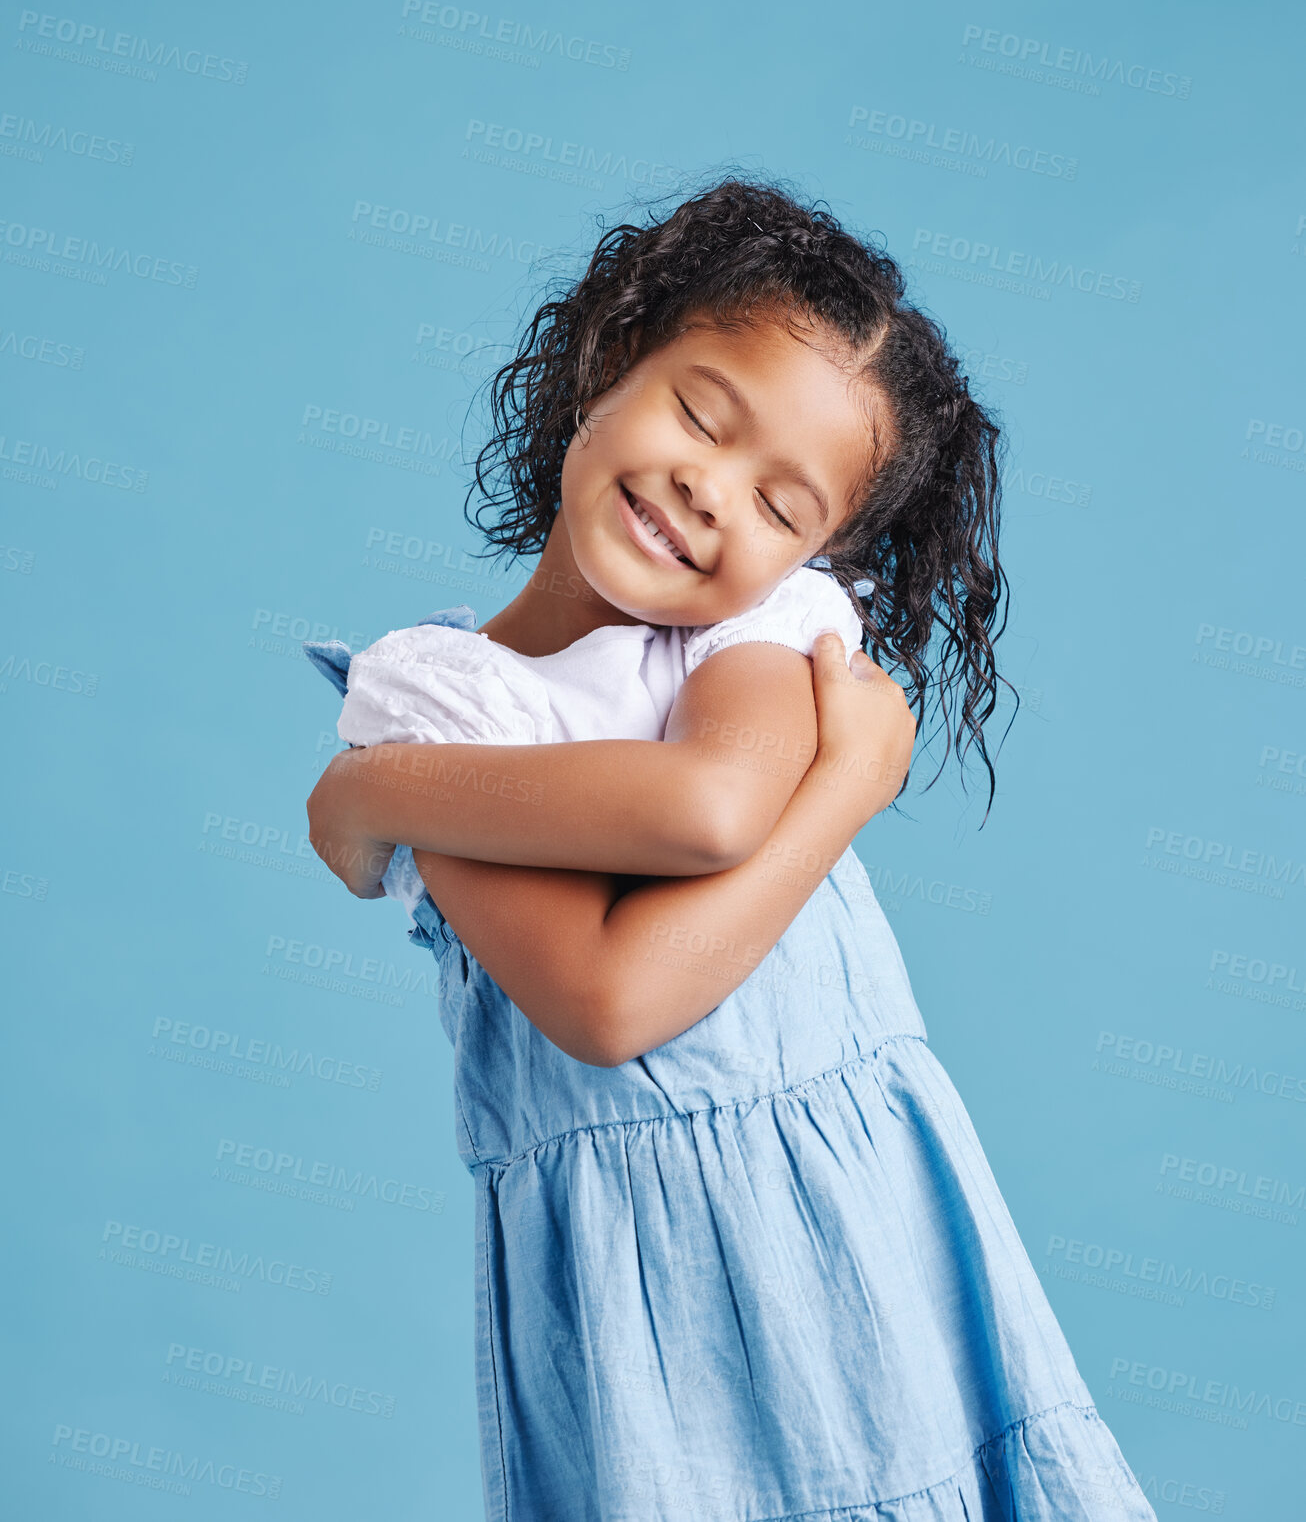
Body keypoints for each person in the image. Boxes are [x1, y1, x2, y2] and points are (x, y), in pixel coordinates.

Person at [305, 175, 1157, 1522]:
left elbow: (707, 805)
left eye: (783, 507)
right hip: (652, 1316)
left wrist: (372, 804)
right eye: (702, 416)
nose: (713, 498)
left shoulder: (759, 626)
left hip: (874, 1249)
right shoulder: (444, 704)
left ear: (814, 551)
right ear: (606, 361)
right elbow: (608, 998)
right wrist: (841, 792)